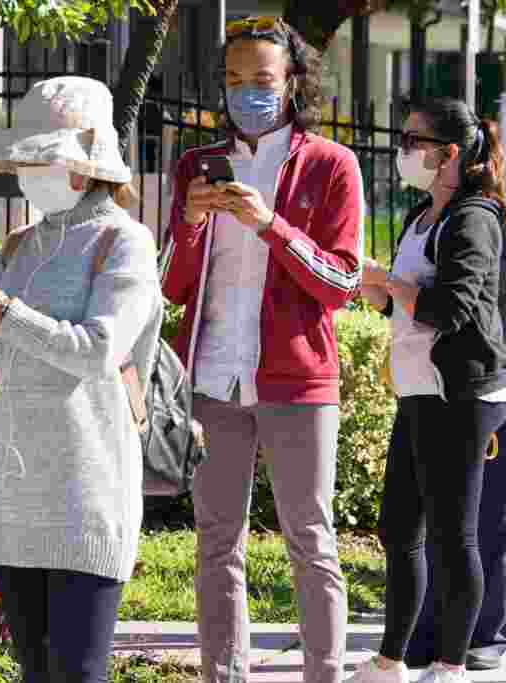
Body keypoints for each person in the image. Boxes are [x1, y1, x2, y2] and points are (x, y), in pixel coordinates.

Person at [0, 76, 162, 681]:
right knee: (35, 672)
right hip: (15, 500)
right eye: (24, 160)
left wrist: (1, 312)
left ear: (87, 165)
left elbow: (97, 351)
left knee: (78, 673)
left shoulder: (125, 242)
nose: (30, 172)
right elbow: (1, 373)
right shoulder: (19, 246)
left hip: (87, 493)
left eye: (43, 158)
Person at [160, 17, 363, 683]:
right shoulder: (197, 164)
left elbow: (341, 280)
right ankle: (224, 674)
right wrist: (191, 221)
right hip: (214, 377)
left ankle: (324, 674)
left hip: (298, 381)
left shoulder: (332, 164)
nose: (247, 92)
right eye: (234, 79)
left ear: (293, 82)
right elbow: (171, 284)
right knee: (218, 542)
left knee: (310, 538)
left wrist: (270, 224)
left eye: (263, 80)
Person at [351, 98, 506, 683]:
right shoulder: (421, 214)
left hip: (463, 394)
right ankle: (391, 659)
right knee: (400, 528)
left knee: (453, 534)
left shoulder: (475, 217)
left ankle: (451, 664)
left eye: (413, 140)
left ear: (450, 152)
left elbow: (451, 307)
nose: (403, 150)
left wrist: (391, 284)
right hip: (419, 388)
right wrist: (373, 287)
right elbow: (400, 301)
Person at [404, 170, 506, 671]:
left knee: (500, 509)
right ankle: (429, 632)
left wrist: (484, 261)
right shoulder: (432, 208)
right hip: (442, 370)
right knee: (439, 513)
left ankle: (485, 635)